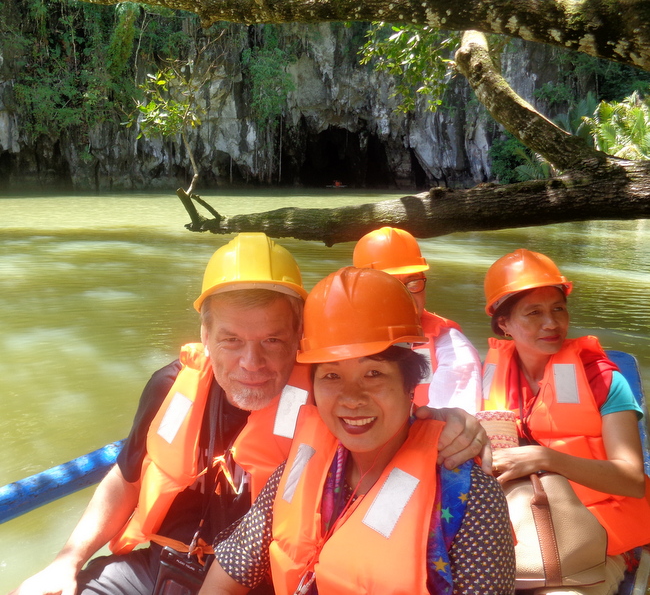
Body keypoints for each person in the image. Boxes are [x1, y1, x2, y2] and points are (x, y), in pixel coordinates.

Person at [9, 233, 489, 595]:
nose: (251, 364)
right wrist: (68, 558)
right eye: (232, 341)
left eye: (272, 341)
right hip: (153, 568)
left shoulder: (327, 401)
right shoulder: (170, 383)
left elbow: (391, 419)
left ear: (301, 339)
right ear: (206, 331)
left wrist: (449, 418)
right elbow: (128, 474)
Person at [199, 267, 515, 595]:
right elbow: (227, 576)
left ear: (410, 384)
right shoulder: (300, 466)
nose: (351, 399)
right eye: (332, 376)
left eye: (373, 373)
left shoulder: (470, 498)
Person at [482, 248, 650, 595]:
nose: (552, 323)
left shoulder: (603, 380)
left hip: (601, 534)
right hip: (525, 522)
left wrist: (547, 459)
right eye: (534, 313)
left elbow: (633, 479)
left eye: (558, 309)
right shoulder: (492, 373)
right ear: (504, 324)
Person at [353, 226, 482, 413]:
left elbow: (455, 429)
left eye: (413, 283)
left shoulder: (451, 348)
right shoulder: (336, 342)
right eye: (389, 286)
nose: (405, 296)